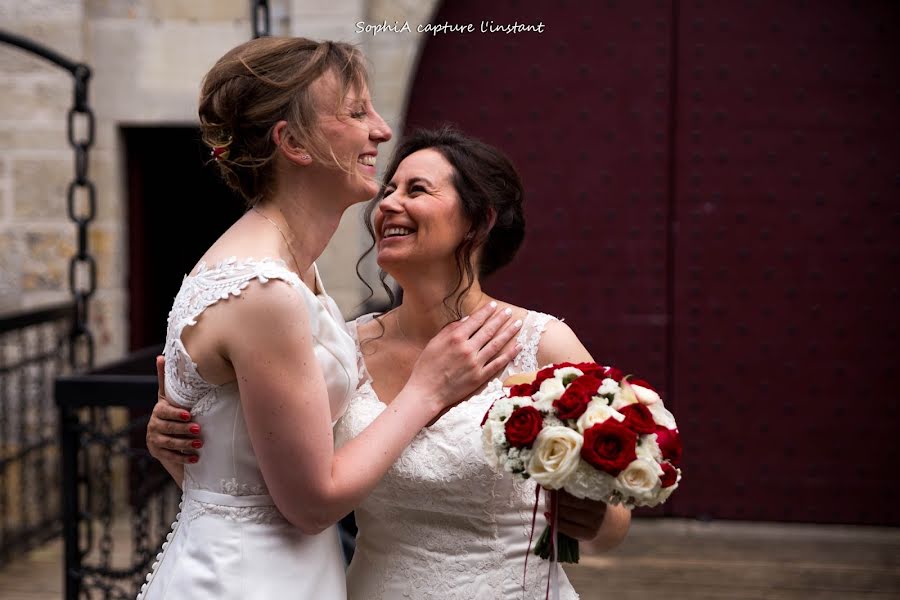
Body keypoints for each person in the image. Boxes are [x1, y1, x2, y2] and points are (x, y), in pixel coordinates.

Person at [149, 127, 631, 598]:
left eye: (417, 190)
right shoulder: (344, 347)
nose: (388, 205)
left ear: (478, 221)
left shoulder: (541, 344)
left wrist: (596, 517)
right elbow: (276, 483)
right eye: (389, 190)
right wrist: (187, 444)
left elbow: (613, 519)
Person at [138, 38, 521, 600]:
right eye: (356, 111)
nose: (383, 130)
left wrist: (192, 449)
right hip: (249, 581)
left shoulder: (292, 269)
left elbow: (243, 463)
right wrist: (427, 389)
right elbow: (312, 503)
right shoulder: (263, 289)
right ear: (292, 142)